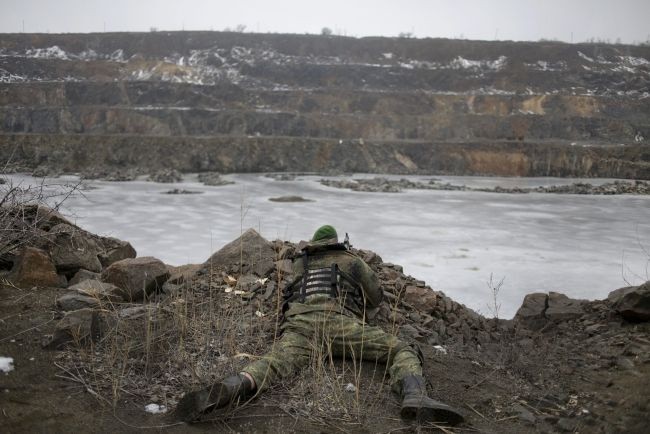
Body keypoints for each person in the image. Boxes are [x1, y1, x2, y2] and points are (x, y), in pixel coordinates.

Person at [175, 225, 464, 425]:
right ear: (337, 242)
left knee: (273, 365)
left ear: (314, 245)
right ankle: (414, 395)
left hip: (299, 328)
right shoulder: (352, 260)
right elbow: (376, 297)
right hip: (340, 326)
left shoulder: (300, 264)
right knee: (401, 349)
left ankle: (235, 384)